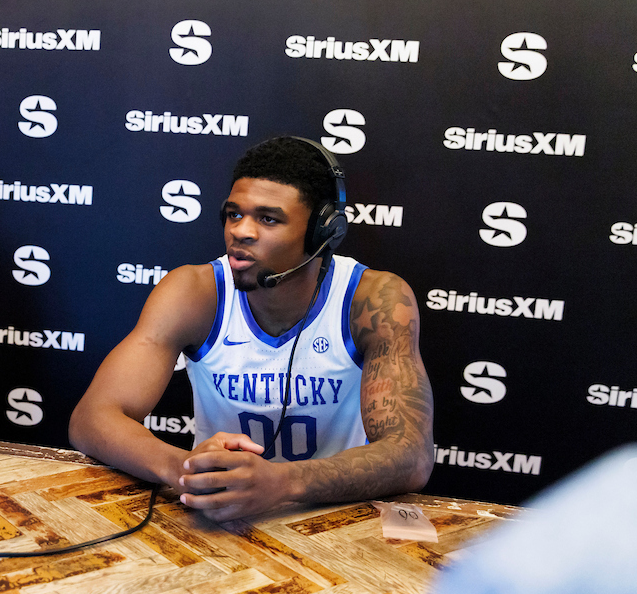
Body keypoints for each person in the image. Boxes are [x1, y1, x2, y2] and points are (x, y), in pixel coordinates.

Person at [69, 136, 434, 521]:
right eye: (233, 214)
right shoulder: (195, 292)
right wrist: (186, 469)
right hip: (218, 513)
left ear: (323, 233)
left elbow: (410, 454)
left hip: (336, 517)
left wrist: (281, 482)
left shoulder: (373, 300)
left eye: (268, 218)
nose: (241, 231)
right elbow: (92, 418)